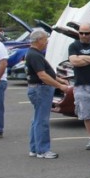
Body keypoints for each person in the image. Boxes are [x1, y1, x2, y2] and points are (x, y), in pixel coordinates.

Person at [25, 28, 70, 158]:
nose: (47, 42)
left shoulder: (34, 53)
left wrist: (60, 79)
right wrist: (60, 86)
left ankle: (35, 148)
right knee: (42, 120)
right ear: (39, 40)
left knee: (37, 119)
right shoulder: (35, 55)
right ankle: (43, 150)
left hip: (38, 89)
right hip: (41, 89)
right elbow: (43, 75)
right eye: (45, 39)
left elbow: (46, 73)